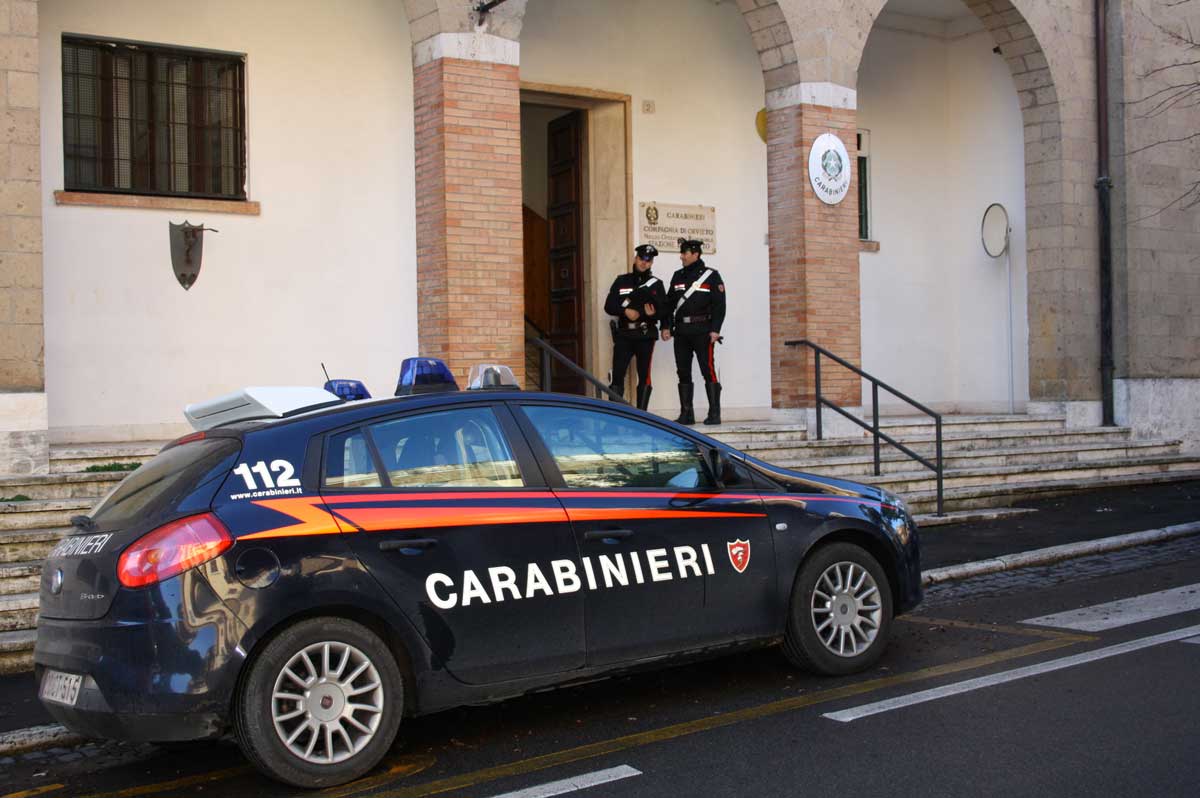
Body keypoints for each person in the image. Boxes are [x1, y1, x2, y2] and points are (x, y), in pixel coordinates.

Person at [663, 238, 725, 425]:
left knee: (708, 370)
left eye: (685, 253)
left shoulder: (711, 276)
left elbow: (719, 305)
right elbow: (668, 305)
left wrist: (715, 330)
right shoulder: (677, 276)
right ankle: (686, 414)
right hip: (681, 331)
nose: (681, 256)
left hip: (703, 331)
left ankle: (714, 413)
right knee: (683, 371)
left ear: (695, 254)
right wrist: (666, 326)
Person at [604, 244, 666, 410]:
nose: (644, 263)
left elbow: (664, 311)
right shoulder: (621, 280)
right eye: (641, 259)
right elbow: (609, 306)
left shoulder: (656, 284)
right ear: (635, 259)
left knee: (644, 375)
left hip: (645, 335)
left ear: (651, 263)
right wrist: (625, 311)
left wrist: (652, 314)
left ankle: (641, 416)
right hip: (624, 334)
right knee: (618, 375)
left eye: (648, 260)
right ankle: (615, 416)